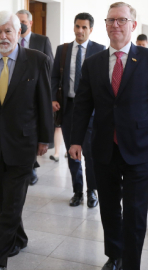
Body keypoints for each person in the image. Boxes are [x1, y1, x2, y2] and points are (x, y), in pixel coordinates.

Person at [69, 2, 148, 269]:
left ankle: (132, 263)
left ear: (132, 25)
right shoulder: (93, 63)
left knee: (134, 211)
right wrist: (75, 140)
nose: (115, 25)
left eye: (121, 20)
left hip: (140, 148)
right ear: (105, 25)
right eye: (111, 20)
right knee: (109, 208)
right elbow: (83, 104)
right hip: (104, 148)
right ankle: (115, 255)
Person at [0, 10, 53, 270]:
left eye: (8, 31)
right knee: (6, 201)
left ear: (19, 33)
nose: (3, 37)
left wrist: (45, 138)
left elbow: (44, 102)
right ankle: (20, 237)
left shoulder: (37, 60)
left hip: (23, 145)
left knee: (12, 204)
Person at [51, 12, 105, 208]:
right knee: (72, 150)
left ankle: (92, 191)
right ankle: (77, 191)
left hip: (91, 110)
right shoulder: (63, 50)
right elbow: (54, 77)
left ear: (91, 29)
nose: (80, 31)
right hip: (69, 107)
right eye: (77, 26)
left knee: (90, 153)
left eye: (84, 27)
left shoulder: (99, 50)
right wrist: (52, 98)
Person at [16, 9, 54, 185]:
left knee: (33, 130)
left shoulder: (42, 41)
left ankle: (31, 166)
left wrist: (50, 96)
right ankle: (26, 165)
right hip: (17, 95)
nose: (21, 24)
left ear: (30, 23)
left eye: (23, 21)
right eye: (18, 21)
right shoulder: (12, 38)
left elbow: (50, 68)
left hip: (36, 92)